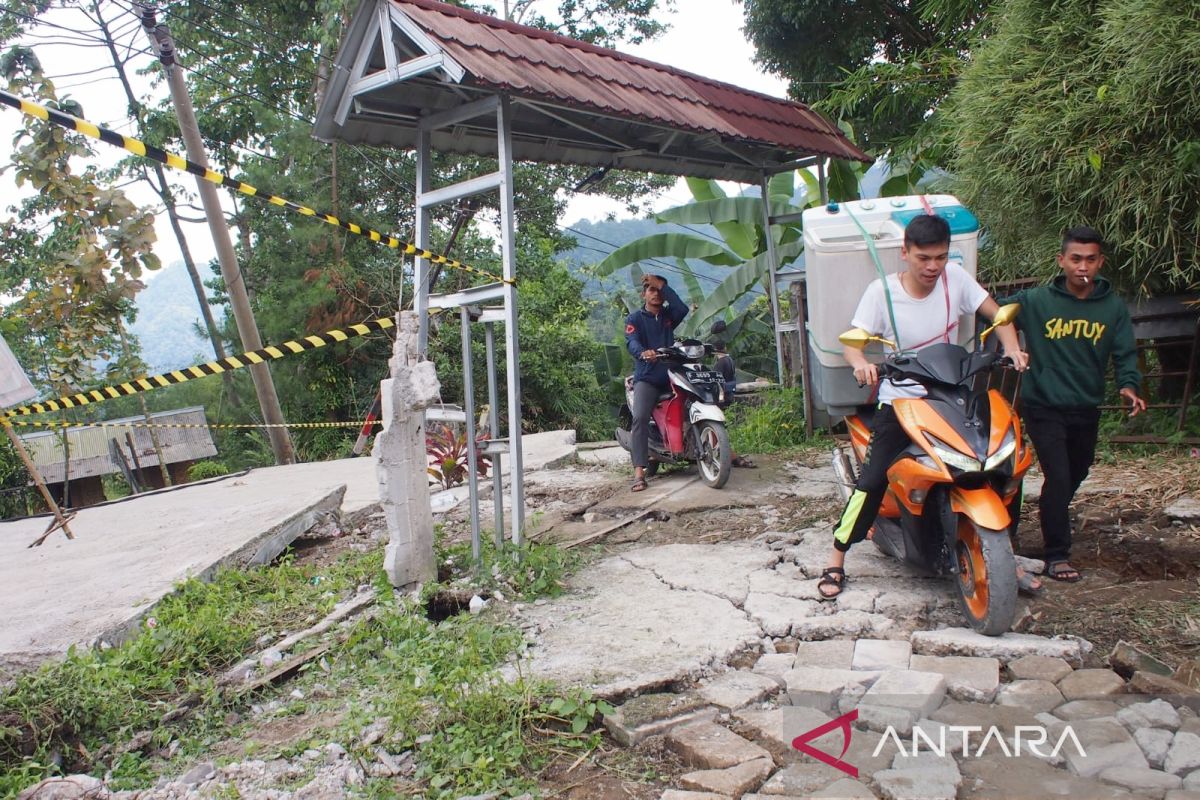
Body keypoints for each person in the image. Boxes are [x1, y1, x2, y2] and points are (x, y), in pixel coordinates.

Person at [818, 214, 1032, 599]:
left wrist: (1012, 347)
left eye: (941, 257)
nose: (933, 267)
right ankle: (836, 559)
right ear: (905, 253)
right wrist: (862, 364)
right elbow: (852, 343)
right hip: (901, 400)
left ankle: (1003, 551)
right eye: (924, 258)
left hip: (953, 394)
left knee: (1004, 462)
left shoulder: (957, 280)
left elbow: (997, 314)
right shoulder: (881, 292)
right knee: (871, 482)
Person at [1004, 226, 1145, 582]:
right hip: (1043, 404)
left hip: (1085, 406)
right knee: (1059, 476)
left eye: (1091, 259)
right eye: (1076, 259)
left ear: (1100, 262)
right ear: (1062, 260)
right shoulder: (1036, 301)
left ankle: (1031, 523)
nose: (1083, 266)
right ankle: (1057, 554)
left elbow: (1126, 352)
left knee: (1075, 474)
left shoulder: (1111, 307)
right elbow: (993, 314)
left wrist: (1129, 385)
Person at [625, 273, 688, 491]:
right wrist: (643, 352)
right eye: (651, 290)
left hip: (672, 375)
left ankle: (728, 453)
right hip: (648, 378)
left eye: (659, 291)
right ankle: (639, 474)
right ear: (643, 294)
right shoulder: (634, 319)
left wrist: (663, 284)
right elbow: (631, 342)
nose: (656, 294)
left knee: (699, 402)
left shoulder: (670, 316)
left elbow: (683, 308)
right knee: (640, 418)